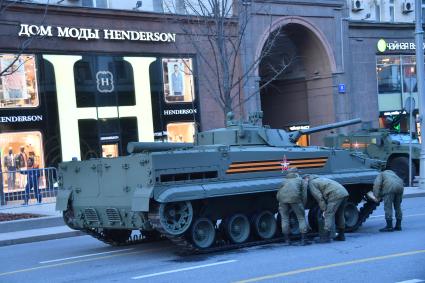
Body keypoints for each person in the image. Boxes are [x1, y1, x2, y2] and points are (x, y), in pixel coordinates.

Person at [304, 175, 348, 243]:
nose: (304, 183)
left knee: (328, 214)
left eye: (304, 181)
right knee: (340, 214)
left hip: (335, 195)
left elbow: (319, 197)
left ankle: (325, 237)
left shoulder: (311, 183)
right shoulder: (320, 179)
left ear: (307, 178)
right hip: (344, 193)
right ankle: (341, 235)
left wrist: (324, 209)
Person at [276, 169, 310, 245]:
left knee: (284, 218)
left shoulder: (283, 181)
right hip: (295, 199)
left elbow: (278, 194)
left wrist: (280, 202)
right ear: (296, 173)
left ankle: (287, 240)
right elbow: (304, 194)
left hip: (282, 200)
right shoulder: (300, 180)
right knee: (301, 217)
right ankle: (303, 240)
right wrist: (303, 205)